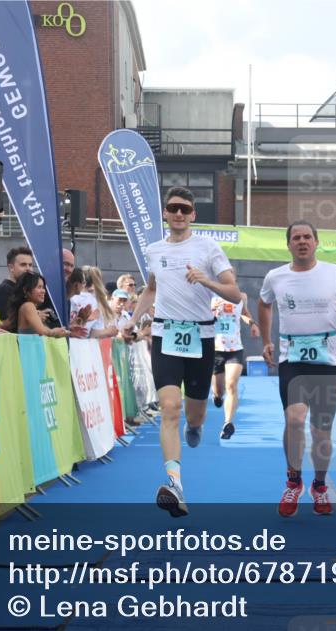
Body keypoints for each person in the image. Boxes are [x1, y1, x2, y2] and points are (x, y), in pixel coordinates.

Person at [126, 186, 242, 517]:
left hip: (200, 337)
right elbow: (151, 289)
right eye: (173, 208)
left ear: (193, 215)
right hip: (165, 335)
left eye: (185, 209)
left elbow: (234, 293)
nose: (179, 213)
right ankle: (175, 484)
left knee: (194, 415)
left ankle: (195, 425)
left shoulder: (208, 247)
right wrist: (133, 320)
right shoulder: (154, 250)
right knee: (169, 407)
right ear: (165, 213)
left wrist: (207, 281)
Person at [258, 221, 336, 517]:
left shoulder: (335, 272)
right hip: (292, 359)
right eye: (296, 238)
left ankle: (319, 485)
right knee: (294, 419)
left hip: (327, 362)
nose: (302, 242)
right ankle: (293, 481)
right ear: (288, 244)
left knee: (320, 432)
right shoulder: (275, 276)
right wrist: (266, 341)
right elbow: (264, 304)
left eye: (307, 237)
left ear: (316, 242)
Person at [211, 293, 260, 439]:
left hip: (235, 349)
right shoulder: (209, 295)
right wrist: (210, 310)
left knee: (231, 385)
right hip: (215, 349)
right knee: (219, 391)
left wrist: (252, 323)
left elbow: (244, 312)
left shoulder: (241, 296)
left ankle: (228, 423)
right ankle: (217, 396)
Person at [5, 272, 69, 338]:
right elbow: (43, 331)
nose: (43, 291)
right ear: (26, 290)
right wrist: (55, 332)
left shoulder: (27, 307)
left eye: (43, 287)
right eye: (39, 287)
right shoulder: (28, 306)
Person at [0, 247, 35, 321]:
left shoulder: (25, 289)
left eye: (30, 265)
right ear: (11, 267)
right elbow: (4, 322)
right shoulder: (3, 290)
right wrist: (34, 317)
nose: (28, 268)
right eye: (23, 265)